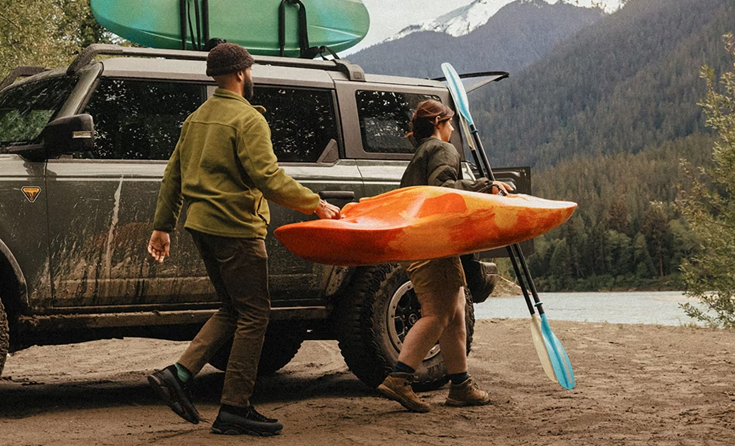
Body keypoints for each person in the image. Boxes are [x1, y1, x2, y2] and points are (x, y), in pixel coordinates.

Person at [145, 42, 341, 436]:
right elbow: (268, 177)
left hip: (202, 226)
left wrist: (163, 225)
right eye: (250, 70)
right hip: (236, 228)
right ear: (240, 73)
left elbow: (173, 176)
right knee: (255, 315)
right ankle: (235, 406)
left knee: (235, 308)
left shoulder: (197, 118)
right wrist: (315, 204)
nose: (252, 76)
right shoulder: (248, 120)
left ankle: (179, 374)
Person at [377, 100, 509, 412]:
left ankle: (460, 385)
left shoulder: (420, 152)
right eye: (449, 124)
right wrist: (485, 187)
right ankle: (400, 377)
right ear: (439, 122)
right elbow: (443, 189)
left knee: (456, 309)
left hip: (419, 242)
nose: (452, 130)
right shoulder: (441, 149)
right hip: (433, 242)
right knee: (438, 313)